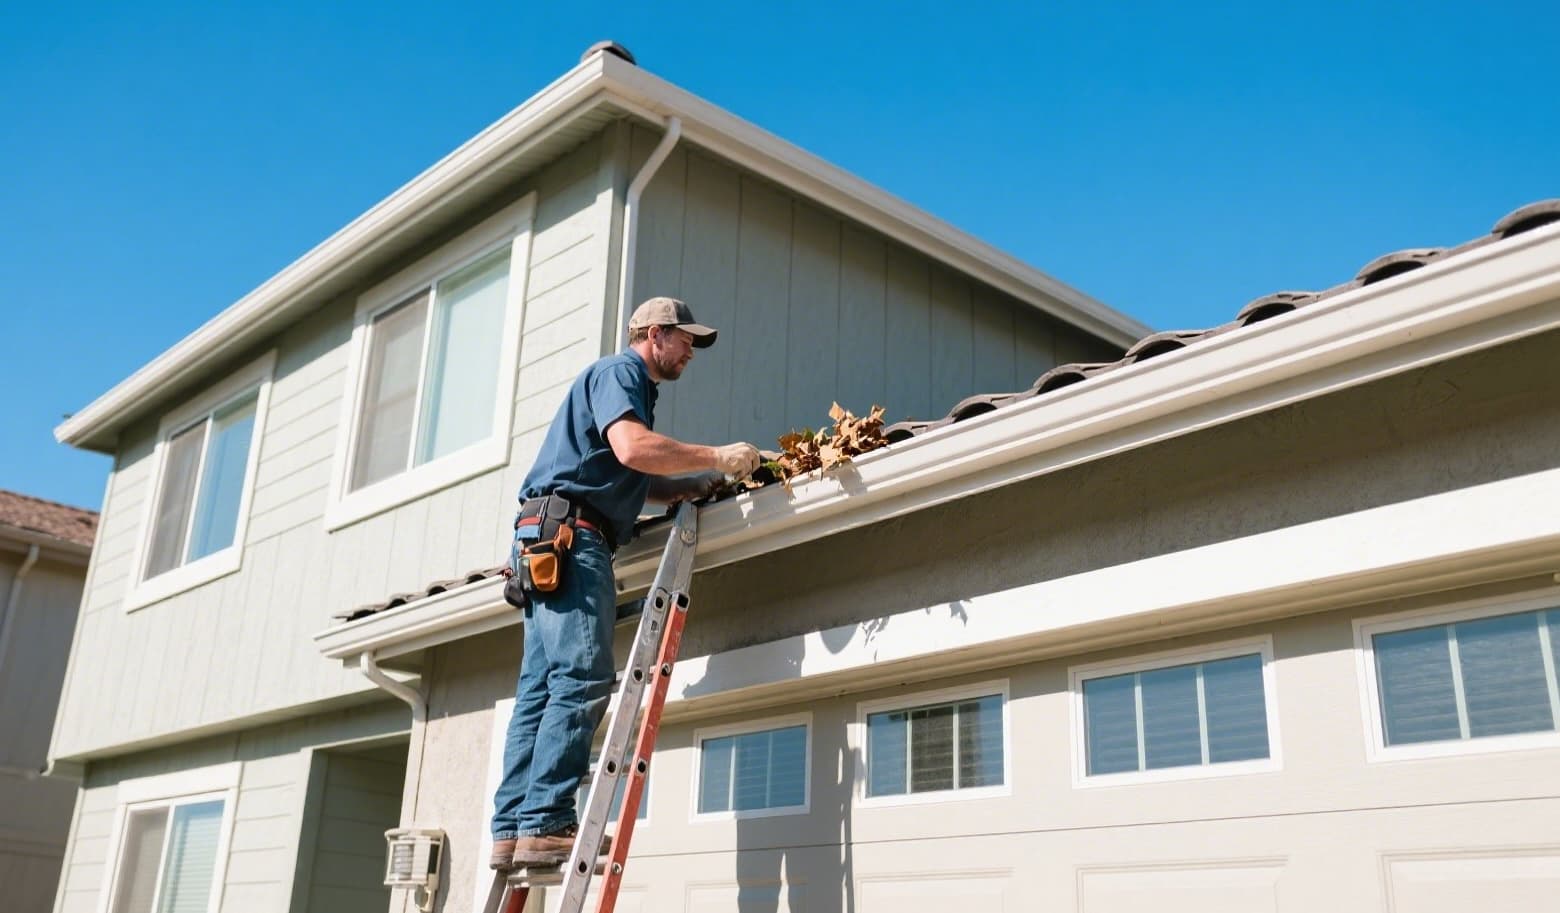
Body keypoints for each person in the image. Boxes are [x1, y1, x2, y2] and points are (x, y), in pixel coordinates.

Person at [490, 296, 761, 869]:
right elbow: (633, 448)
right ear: (656, 334)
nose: (692, 350)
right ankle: (545, 822)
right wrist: (717, 453)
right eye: (686, 339)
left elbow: (630, 470)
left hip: (545, 535)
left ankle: (514, 829)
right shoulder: (622, 372)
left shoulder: (625, 388)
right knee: (582, 677)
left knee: (540, 690)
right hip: (573, 539)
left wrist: (691, 482)